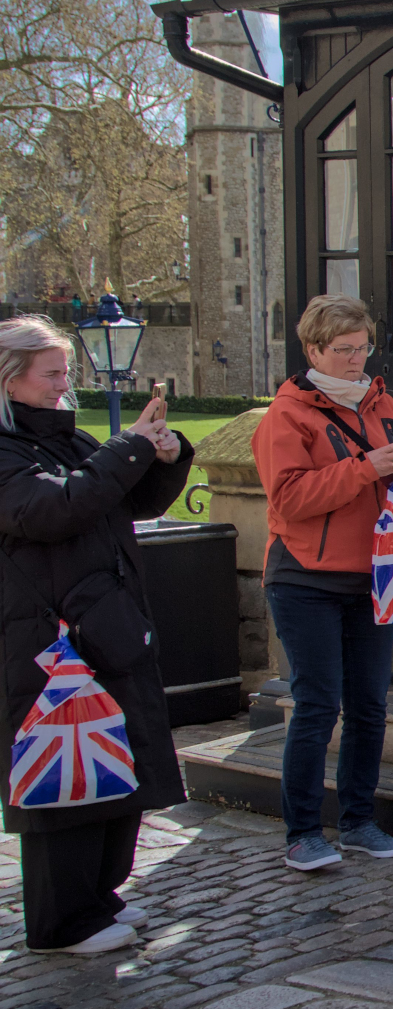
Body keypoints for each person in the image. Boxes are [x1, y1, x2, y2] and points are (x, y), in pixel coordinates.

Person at [0, 315, 191, 955]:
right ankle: (62, 922)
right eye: (51, 374)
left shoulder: (68, 438)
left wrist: (165, 457)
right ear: (10, 379)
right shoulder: (4, 451)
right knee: (64, 779)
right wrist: (129, 447)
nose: (63, 385)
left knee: (119, 766)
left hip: (107, 628)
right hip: (50, 640)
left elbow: (127, 502)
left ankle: (99, 900)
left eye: (64, 372)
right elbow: (53, 509)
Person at [254, 295, 393, 872]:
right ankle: (302, 832)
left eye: (364, 348)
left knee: (370, 705)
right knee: (317, 705)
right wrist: (366, 469)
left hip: (373, 573)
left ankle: (357, 821)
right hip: (305, 578)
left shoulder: (382, 404)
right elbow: (288, 499)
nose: (357, 359)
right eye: (344, 350)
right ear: (314, 350)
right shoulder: (287, 415)